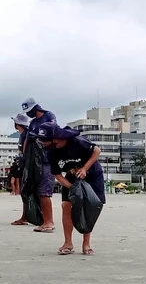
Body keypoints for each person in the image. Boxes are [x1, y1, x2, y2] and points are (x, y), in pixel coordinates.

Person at [33, 124, 105, 256]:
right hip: (72, 178)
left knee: (88, 207)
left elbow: (97, 151)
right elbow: (58, 175)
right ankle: (68, 243)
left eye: (45, 141)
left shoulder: (78, 142)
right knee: (66, 205)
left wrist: (85, 168)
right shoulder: (51, 152)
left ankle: (86, 243)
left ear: (56, 139)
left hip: (92, 175)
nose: (43, 144)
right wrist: (73, 188)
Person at [19, 98, 58, 233]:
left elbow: (52, 133)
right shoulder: (33, 122)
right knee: (34, 190)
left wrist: (37, 137)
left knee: (44, 191)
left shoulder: (49, 116)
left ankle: (49, 222)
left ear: (36, 108)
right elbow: (27, 140)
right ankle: (42, 219)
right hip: (35, 162)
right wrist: (24, 156)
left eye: (29, 111)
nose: (28, 114)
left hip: (47, 160)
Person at [10, 113, 33, 225]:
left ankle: (26, 216)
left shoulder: (26, 135)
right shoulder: (22, 134)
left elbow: (25, 151)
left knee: (27, 191)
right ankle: (25, 216)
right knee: (25, 192)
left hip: (26, 166)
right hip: (23, 165)